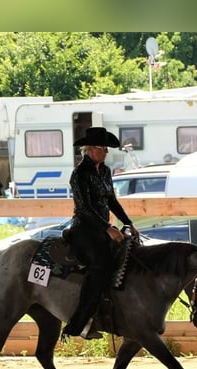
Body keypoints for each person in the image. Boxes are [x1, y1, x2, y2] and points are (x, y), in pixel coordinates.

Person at [62, 127, 139, 339]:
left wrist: (127, 222)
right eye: (103, 148)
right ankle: (81, 323)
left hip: (102, 228)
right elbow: (84, 208)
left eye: (106, 149)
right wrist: (107, 227)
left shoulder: (104, 171)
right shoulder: (79, 174)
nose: (106, 152)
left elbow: (111, 200)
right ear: (90, 149)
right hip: (84, 229)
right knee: (100, 264)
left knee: (130, 252)